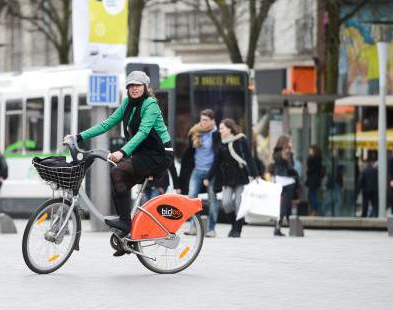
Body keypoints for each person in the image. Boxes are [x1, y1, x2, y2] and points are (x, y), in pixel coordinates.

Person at [71, 70, 173, 256]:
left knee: (118, 173)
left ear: (146, 88)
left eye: (138, 85)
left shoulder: (150, 105)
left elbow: (143, 132)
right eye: (130, 85)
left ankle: (125, 224)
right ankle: (129, 236)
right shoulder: (127, 103)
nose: (134, 89)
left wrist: (122, 151)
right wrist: (79, 136)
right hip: (143, 153)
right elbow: (107, 124)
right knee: (119, 179)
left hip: (159, 154)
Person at [206, 119, 258, 238]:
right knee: (226, 203)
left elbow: (249, 158)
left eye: (222, 128)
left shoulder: (241, 139)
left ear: (229, 128)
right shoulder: (221, 144)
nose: (220, 131)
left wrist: (255, 174)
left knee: (239, 203)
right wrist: (208, 177)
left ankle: (237, 229)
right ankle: (234, 225)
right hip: (228, 178)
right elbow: (216, 163)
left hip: (241, 176)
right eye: (220, 129)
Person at [178, 109, 221, 237]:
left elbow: (219, 157)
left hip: (212, 172)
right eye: (201, 119)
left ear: (213, 121)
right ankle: (193, 226)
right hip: (197, 170)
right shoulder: (196, 133)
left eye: (206, 120)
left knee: (213, 199)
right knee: (191, 198)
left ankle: (212, 228)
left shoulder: (217, 135)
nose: (203, 122)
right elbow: (189, 154)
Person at [271, 135, 296, 237]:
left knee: (282, 205)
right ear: (286, 143)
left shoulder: (276, 154)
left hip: (278, 181)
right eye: (290, 142)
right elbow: (291, 168)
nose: (292, 144)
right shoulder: (287, 154)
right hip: (288, 182)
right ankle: (285, 228)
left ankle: (280, 227)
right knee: (286, 206)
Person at [305, 145, 324, 216]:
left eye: (311, 150)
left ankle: (316, 210)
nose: (309, 151)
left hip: (313, 181)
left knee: (311, 195)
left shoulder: (314, 160)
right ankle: (314, 210)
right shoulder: (316, 160)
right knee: (312, 195)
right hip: (313, 181)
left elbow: (310, 170)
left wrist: (308, 170)